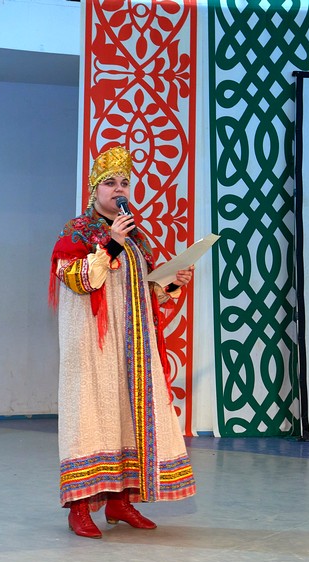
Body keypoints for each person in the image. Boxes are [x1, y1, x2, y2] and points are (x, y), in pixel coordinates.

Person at [48, 145, 196, 539]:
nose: (119, 189)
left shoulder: (134, 237)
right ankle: (79, 508)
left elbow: (144, 292)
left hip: (131, 344)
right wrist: (111, 242)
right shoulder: (77, 231)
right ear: (95, 190)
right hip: (92, 344)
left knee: (127, 418)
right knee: (89, 417)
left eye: (124, 183)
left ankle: (120, 502)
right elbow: (79, 279)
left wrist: (171, 282)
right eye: (110, 183)